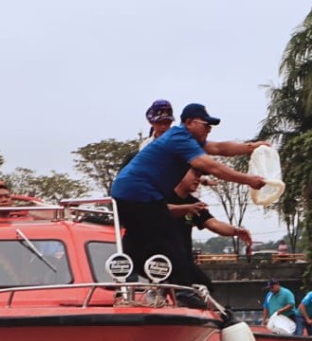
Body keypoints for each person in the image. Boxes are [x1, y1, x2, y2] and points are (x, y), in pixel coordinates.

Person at [111, 103, 265, 287]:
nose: (209, 130)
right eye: (205, 125)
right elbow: (212, 166)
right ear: (190, 122)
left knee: (138, 240)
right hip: (140, 194)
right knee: (173, 246)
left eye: (211, 127)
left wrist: (251, 147)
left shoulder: (186, 140)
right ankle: (183, 291)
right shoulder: (179, 138)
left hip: (129, 195)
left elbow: (220, 148)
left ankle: (125, 274)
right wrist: (249, 180)